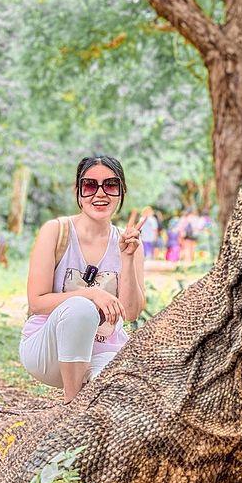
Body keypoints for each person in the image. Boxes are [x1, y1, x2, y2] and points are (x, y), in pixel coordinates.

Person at [19, 155, 145, 403]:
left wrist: (127, 259)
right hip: (48, 351)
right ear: (78, 192)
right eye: (90, 185)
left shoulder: (130, 242)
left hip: (104, 351)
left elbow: (130, 313)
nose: (100, 194)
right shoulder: (56, 231)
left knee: (120, 396)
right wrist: (91, 293)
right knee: (81, 307)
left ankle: (87, 402)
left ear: (121, 192)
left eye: (110, 185)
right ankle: (71, 403)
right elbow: (36, 303)